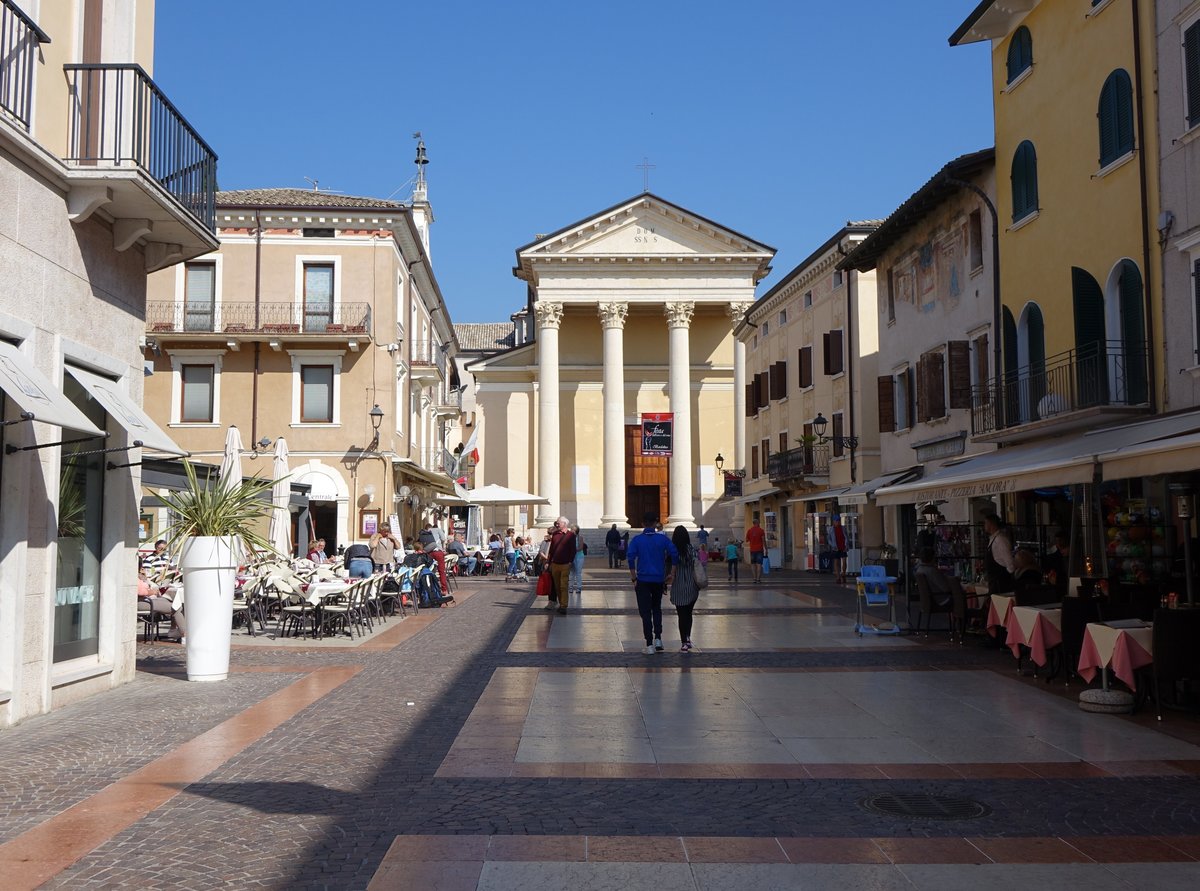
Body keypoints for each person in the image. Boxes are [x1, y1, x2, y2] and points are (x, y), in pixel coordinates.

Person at [627, 512, 679, 654]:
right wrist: (672, 573)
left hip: (643, 580)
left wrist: (634, 578)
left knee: (645, 612)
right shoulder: (662, 539)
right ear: (656, 524)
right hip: (658, 579)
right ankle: (658, 638)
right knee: (656, 608)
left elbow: (630, 558)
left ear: (643, 524)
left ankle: (649, 643)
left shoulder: (637, 540)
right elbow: (674, 554)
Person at [669, 525, 701, 652]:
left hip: (678, 587)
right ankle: (688, 638)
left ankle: (684, 641)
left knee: (681, 615)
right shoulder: (691, 549)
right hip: (691, 586)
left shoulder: (672, 551)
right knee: (689, 614)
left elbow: (670, 567)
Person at [403, 543, 453, 608]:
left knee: (426, 574)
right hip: (420, 576)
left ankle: (430, 598)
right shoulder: (425, 556)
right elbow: (431, 564)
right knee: (427, 573)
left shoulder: (408, 557)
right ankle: (433, 597)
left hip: (412, 577)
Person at [546, 517, 577, 615]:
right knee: (557, 586)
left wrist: (570, 561)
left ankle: (564, 605)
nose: (557, 524)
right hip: (555, 564)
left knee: (564, 585)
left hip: (565, 564)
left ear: (564, 524)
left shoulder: (570, 535)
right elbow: (551, 550)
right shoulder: (555, 535)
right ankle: (560, 603)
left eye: (558, 523)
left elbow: (573, 550)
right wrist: (548, 562)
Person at [983, 513, 1016, 593]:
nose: (984, 526)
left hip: (1000, 585)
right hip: (994, 583)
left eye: (985, 523)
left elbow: (1009, 562)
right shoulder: (993, 539)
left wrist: (1009, 578)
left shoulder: (1000, 540)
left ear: (991, 524)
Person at [827, 515, 849, 584]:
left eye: (839, 520)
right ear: (833, 522)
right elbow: (829, 539)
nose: (838, 522)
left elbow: (847, 537)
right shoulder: (831, 529)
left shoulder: (843, 528)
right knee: (836, 562)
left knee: (844, 561)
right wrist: (832, 545)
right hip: (835, 547)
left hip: (843, 547)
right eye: (836, 521)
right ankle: (838, 577)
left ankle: (844, 574)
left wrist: (846, 545)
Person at [745, 519, 766, 583]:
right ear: (758, 523)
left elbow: (747, 540)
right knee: (759, 564)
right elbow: (763, 540)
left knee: (753, 564)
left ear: (753, 523)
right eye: (759, 523)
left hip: (752, 550)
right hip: (759, 549)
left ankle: (754, 578)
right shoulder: (761, 530)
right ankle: (758, 579)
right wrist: (766, 549)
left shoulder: (749, 530)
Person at [569, 523, 587, 594]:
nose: (571, 531)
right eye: (571, 529)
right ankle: (570, 587)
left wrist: (572, 550)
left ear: (576, 531)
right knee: (572, 573)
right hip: (571, 557)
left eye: (573, 530)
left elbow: (580, 547)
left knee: (578, 573)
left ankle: (579, 587)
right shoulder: (569, 538)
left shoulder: (580, 538)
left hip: (579, 557)